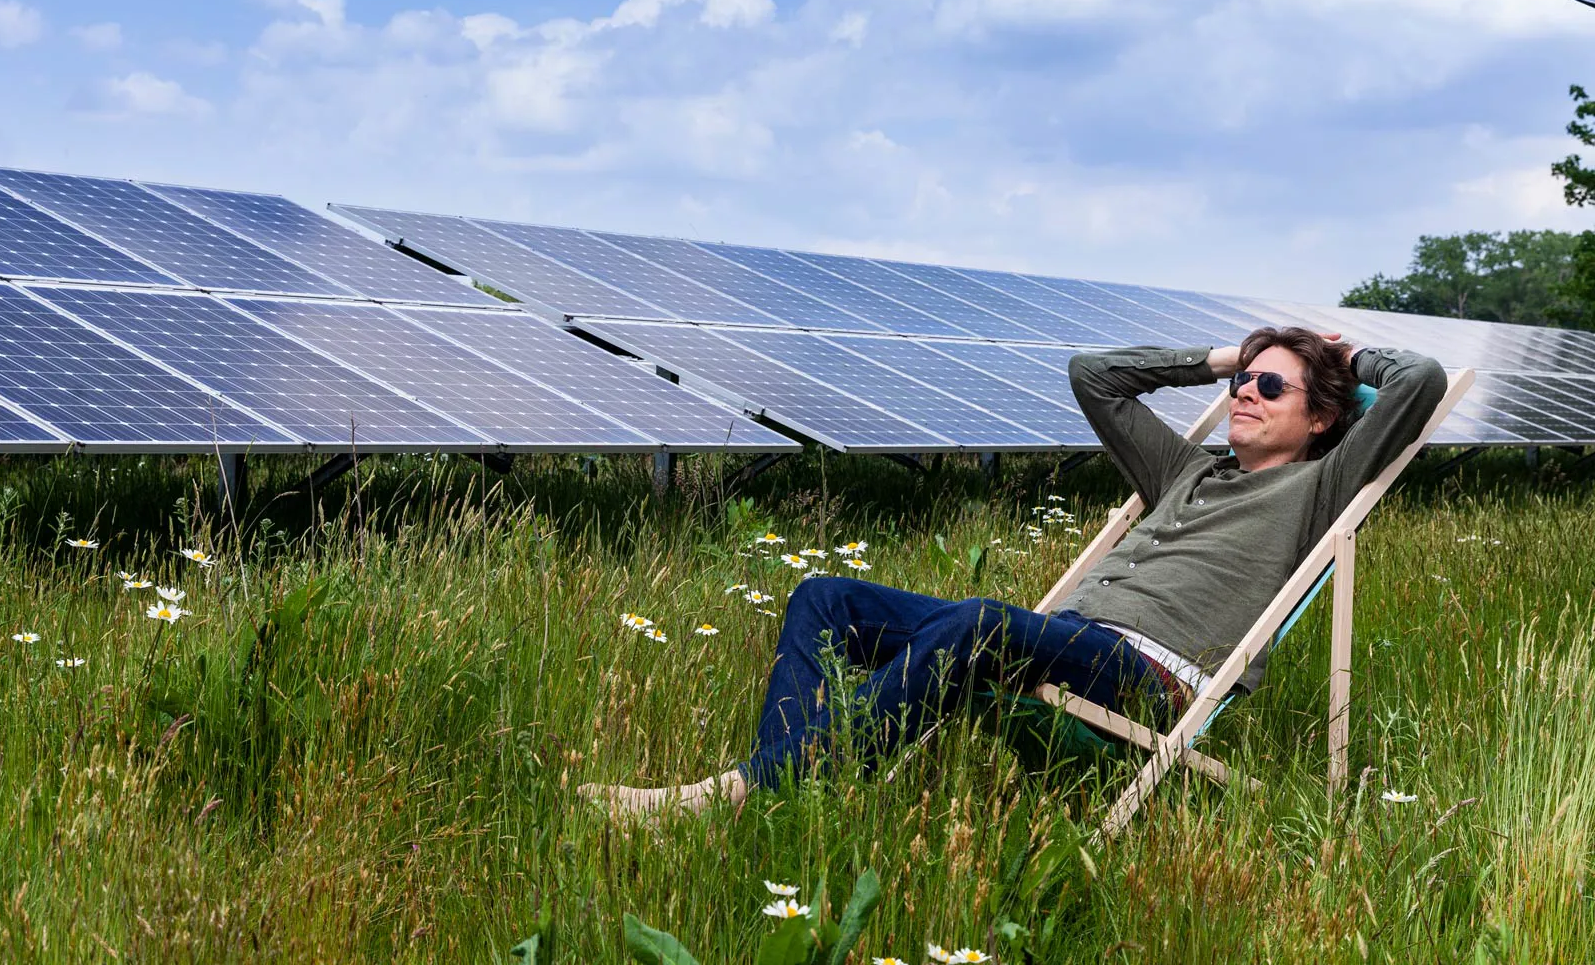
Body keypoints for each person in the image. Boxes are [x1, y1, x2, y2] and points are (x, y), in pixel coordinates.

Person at [581, 326, 1447, 817]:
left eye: (1271, 386)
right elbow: (1093, 378)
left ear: (1325, 418)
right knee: (823, 597)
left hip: (1147, 679)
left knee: (978, 624)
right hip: (1070, 642)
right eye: (1245, 383)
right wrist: (1224, 359)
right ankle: (774, 791)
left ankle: (740, 795)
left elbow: (1422, 378)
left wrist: (1339, 354)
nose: (1246, 396)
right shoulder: (1185, 471)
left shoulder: (1322, 485)